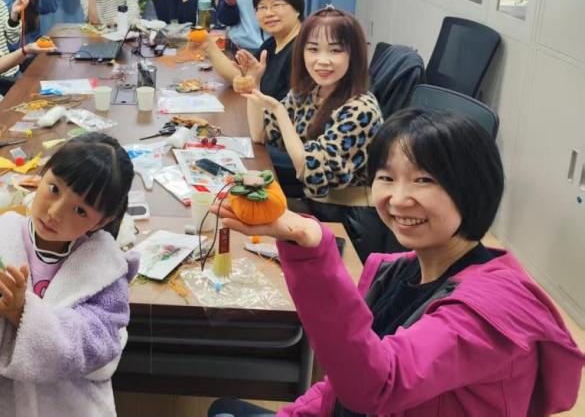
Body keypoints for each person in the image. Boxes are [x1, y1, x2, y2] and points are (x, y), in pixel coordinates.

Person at [208, 109, 585, 417]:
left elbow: (375, 385)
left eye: (424, 180)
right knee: (223, 407)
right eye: (387, 177)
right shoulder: (397, 271)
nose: (399, 198)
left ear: (473, 188)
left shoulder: (492, 310)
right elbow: (341, 382)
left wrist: (311, 246)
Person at [0, 132, 138, 416]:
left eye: (80, 210)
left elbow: (98, 348)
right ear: (40, 175)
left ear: (102, 221)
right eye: (54, 189)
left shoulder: (106, 269)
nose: (55, 212)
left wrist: (20, 311)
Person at [242, 7, 383, 258]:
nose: (322, 60)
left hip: (348, 220)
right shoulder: (309, 92)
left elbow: (311, 172)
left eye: (335, 50)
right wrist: (254, 83)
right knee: (240, 209)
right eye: (313, 49)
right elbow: (260, 135)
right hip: (317, 206)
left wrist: (279, 112)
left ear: (354, 55)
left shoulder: (361, 109)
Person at [193, 0, 304, 102]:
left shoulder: (303, 50)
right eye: (262, 7)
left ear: (297, 9)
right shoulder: (271, 44)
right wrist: (208, 45)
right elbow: (242, 78)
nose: (268, 13)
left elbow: (293, 108)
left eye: (276, 5)